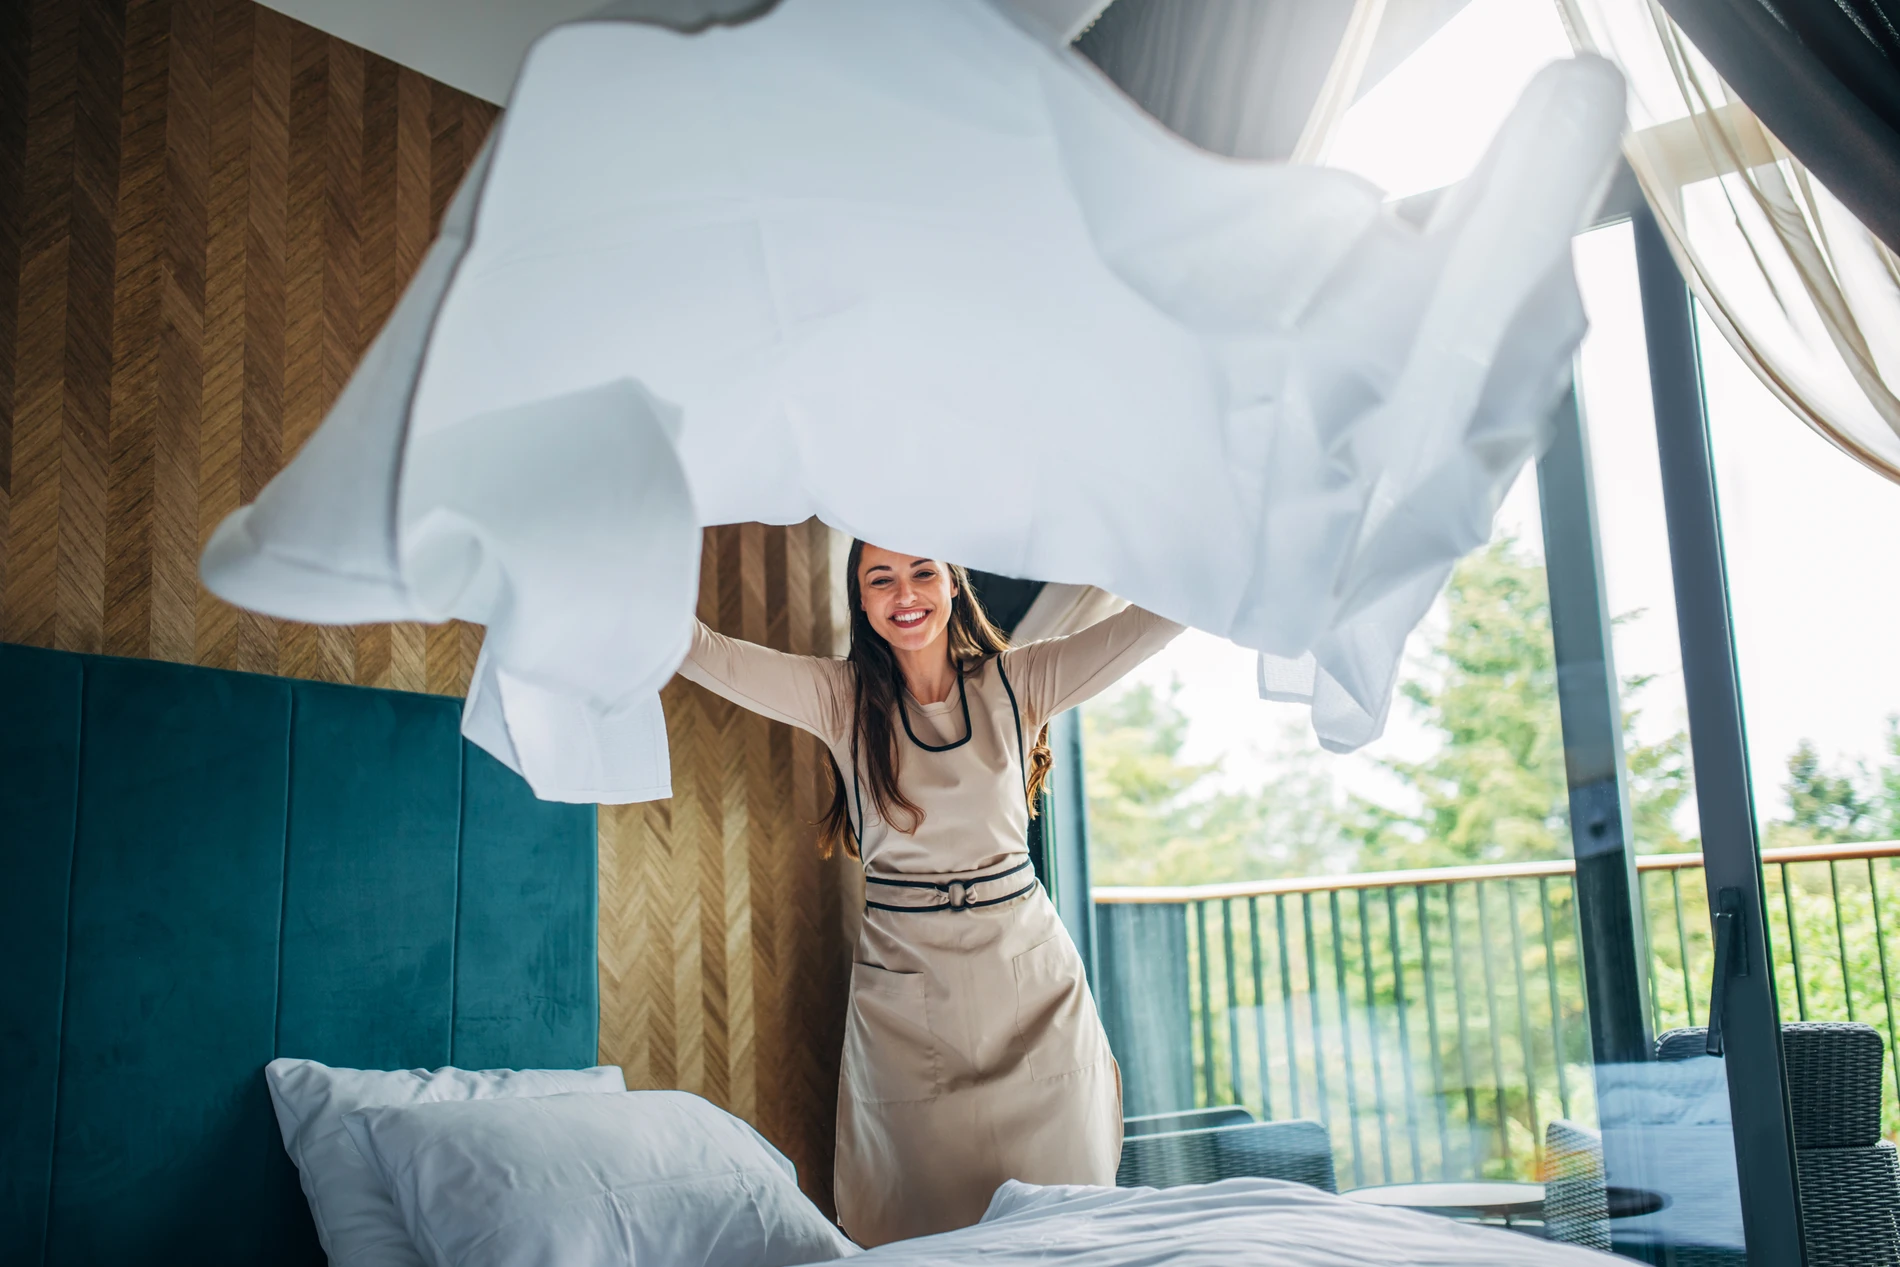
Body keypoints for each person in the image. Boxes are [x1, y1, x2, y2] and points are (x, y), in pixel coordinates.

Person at [677, 540, 1183, 1246]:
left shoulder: (1019, 681)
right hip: (908, 1010)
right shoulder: (840, 698)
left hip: (1031, 991)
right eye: (880, 578)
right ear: (860, 597)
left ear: (952, 581)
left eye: (922, 571)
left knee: (1064, 1225)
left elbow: (1150, 624)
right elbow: (701, 650)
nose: (904, 593)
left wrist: (1224, 545)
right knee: (919, 1227)